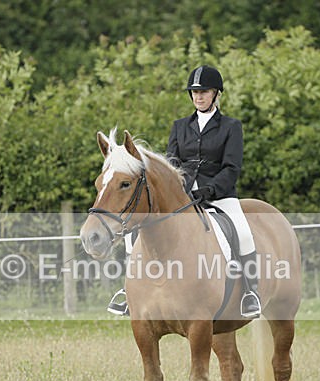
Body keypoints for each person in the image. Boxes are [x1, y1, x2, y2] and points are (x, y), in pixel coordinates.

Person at [107, 65, 261, 318]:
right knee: (132, 232)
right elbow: (171, 164)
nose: (199, 97)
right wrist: (178, 190)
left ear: (216, 94)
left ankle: (249, 293)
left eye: (204, 92)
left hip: (220, 195)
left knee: (243, 233)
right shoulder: (180, 126)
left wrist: (211, 189)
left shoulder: (231, 126)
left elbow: (232, 167)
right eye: (195, 92)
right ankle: (127, 292)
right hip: (183, 195)